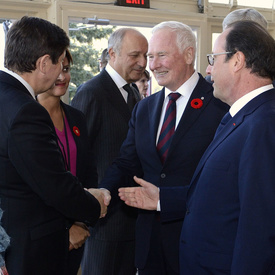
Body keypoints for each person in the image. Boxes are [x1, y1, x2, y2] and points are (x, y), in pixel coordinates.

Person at [120, 20, 275, 274]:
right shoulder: (242, 118)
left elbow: (260, 228)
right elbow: (222, 195)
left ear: (237, 61)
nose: (208, 69)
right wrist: (162, 199)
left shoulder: (264, 124)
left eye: (213, 59)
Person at [101, 21, 228, 274]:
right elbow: (127, 162)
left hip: (197, 243)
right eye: (150, 56)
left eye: (161, 55)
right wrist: (103, 192)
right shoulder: (144, 108)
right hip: (150, 247)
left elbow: (223, 181)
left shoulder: (220, 104)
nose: (152, 64)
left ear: (189, 54)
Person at [0, 16, 110, 275]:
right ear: (42, 63)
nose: (62, 69)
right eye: (60, 61)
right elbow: (52, 184)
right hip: (29, 249)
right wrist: (95, 204)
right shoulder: (26, 110)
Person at [71, 28, 148, 275]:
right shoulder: (91, 92)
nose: (143, 63)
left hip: (132, 220)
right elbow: (76, 157)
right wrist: (80, 217)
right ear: (112, 53)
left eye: (145, 55)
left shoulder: (133, 92)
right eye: (135, 55)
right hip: (102, 224)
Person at [37, 49, 97, 275]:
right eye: (56, 70)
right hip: (43, 236)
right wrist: (65, 231)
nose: (62, 77)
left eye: (66, 69)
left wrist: (81, 224)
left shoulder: (77, 117)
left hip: (78, 236)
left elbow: (89, 174)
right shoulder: (26, 119)